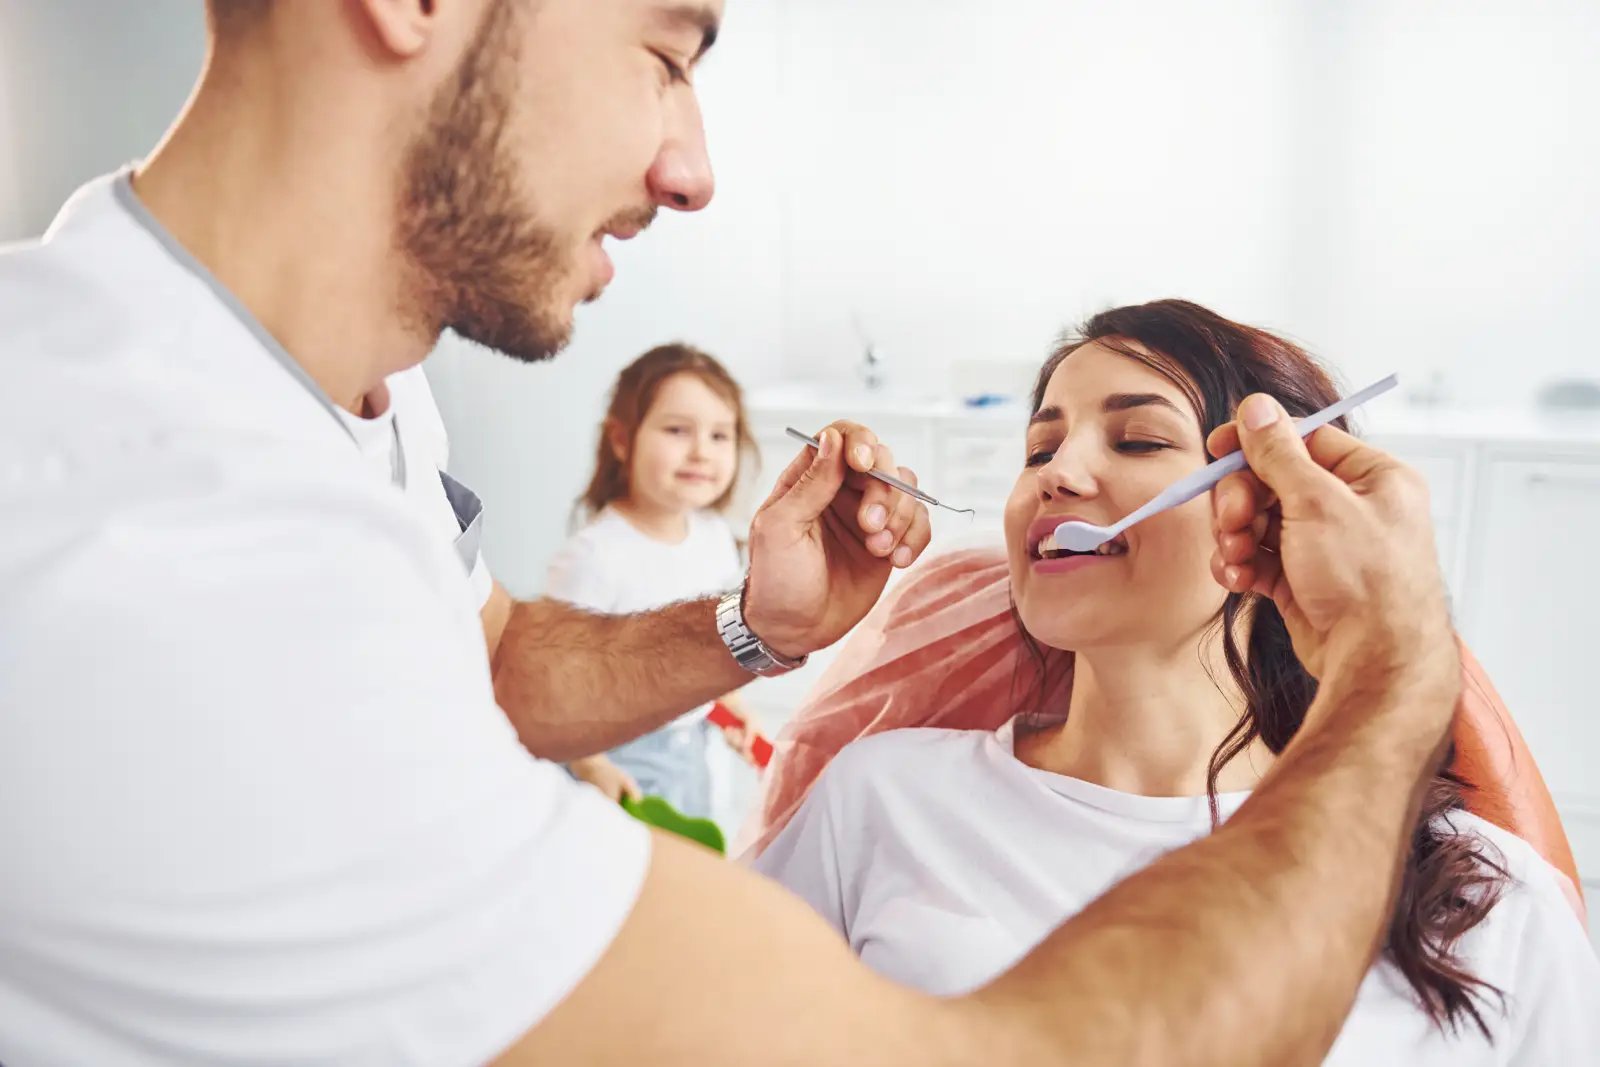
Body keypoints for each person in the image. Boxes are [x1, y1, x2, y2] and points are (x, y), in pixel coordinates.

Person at [0, 1, 1483, 1063]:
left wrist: (754, 626)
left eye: (1134, 437)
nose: (692, 167)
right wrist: (1396, 679)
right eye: (666, 50)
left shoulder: (321, 394)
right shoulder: (171, 564)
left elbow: (492, 660)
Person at [751, 300, 1600, 1062]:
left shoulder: (1486, 900)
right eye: (1040, 446)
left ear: (1271, 510)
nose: (1058, 472)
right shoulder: (878, 798)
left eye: (1140, 439)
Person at [548, 342, 768, 813]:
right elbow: (553, 683)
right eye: (677, 430)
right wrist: (591, 766)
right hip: (617, 756)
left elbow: (705, 648)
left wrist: (730, 707)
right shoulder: (594, 558)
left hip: (691, 751)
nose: (701, 452)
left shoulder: (713, 538)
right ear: (622, 440)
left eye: (719, 436)